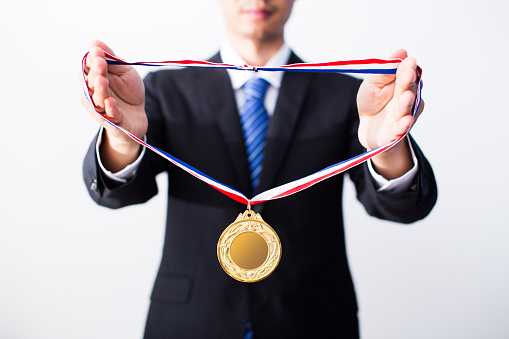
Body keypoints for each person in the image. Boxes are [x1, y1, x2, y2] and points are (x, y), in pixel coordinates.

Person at [80, 0, 437, 338]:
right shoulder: (164, 90)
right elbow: (119, 194)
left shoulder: (350, 96)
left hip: (312, 321)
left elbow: (405, 208)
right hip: (192, 320)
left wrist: (386, 148)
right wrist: (123, 138)